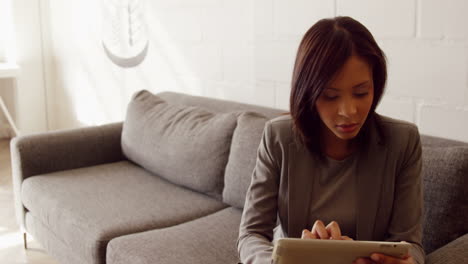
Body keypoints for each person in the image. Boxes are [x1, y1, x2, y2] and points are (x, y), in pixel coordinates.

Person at [237, 16, 424, 264]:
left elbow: (411, 244)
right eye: (330, 96)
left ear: (375, 86)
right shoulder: (278, 137)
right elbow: (251, 234)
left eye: (361, 93)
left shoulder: (402, 142)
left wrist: (407, 261)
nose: (348, 111)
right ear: (308, 93)